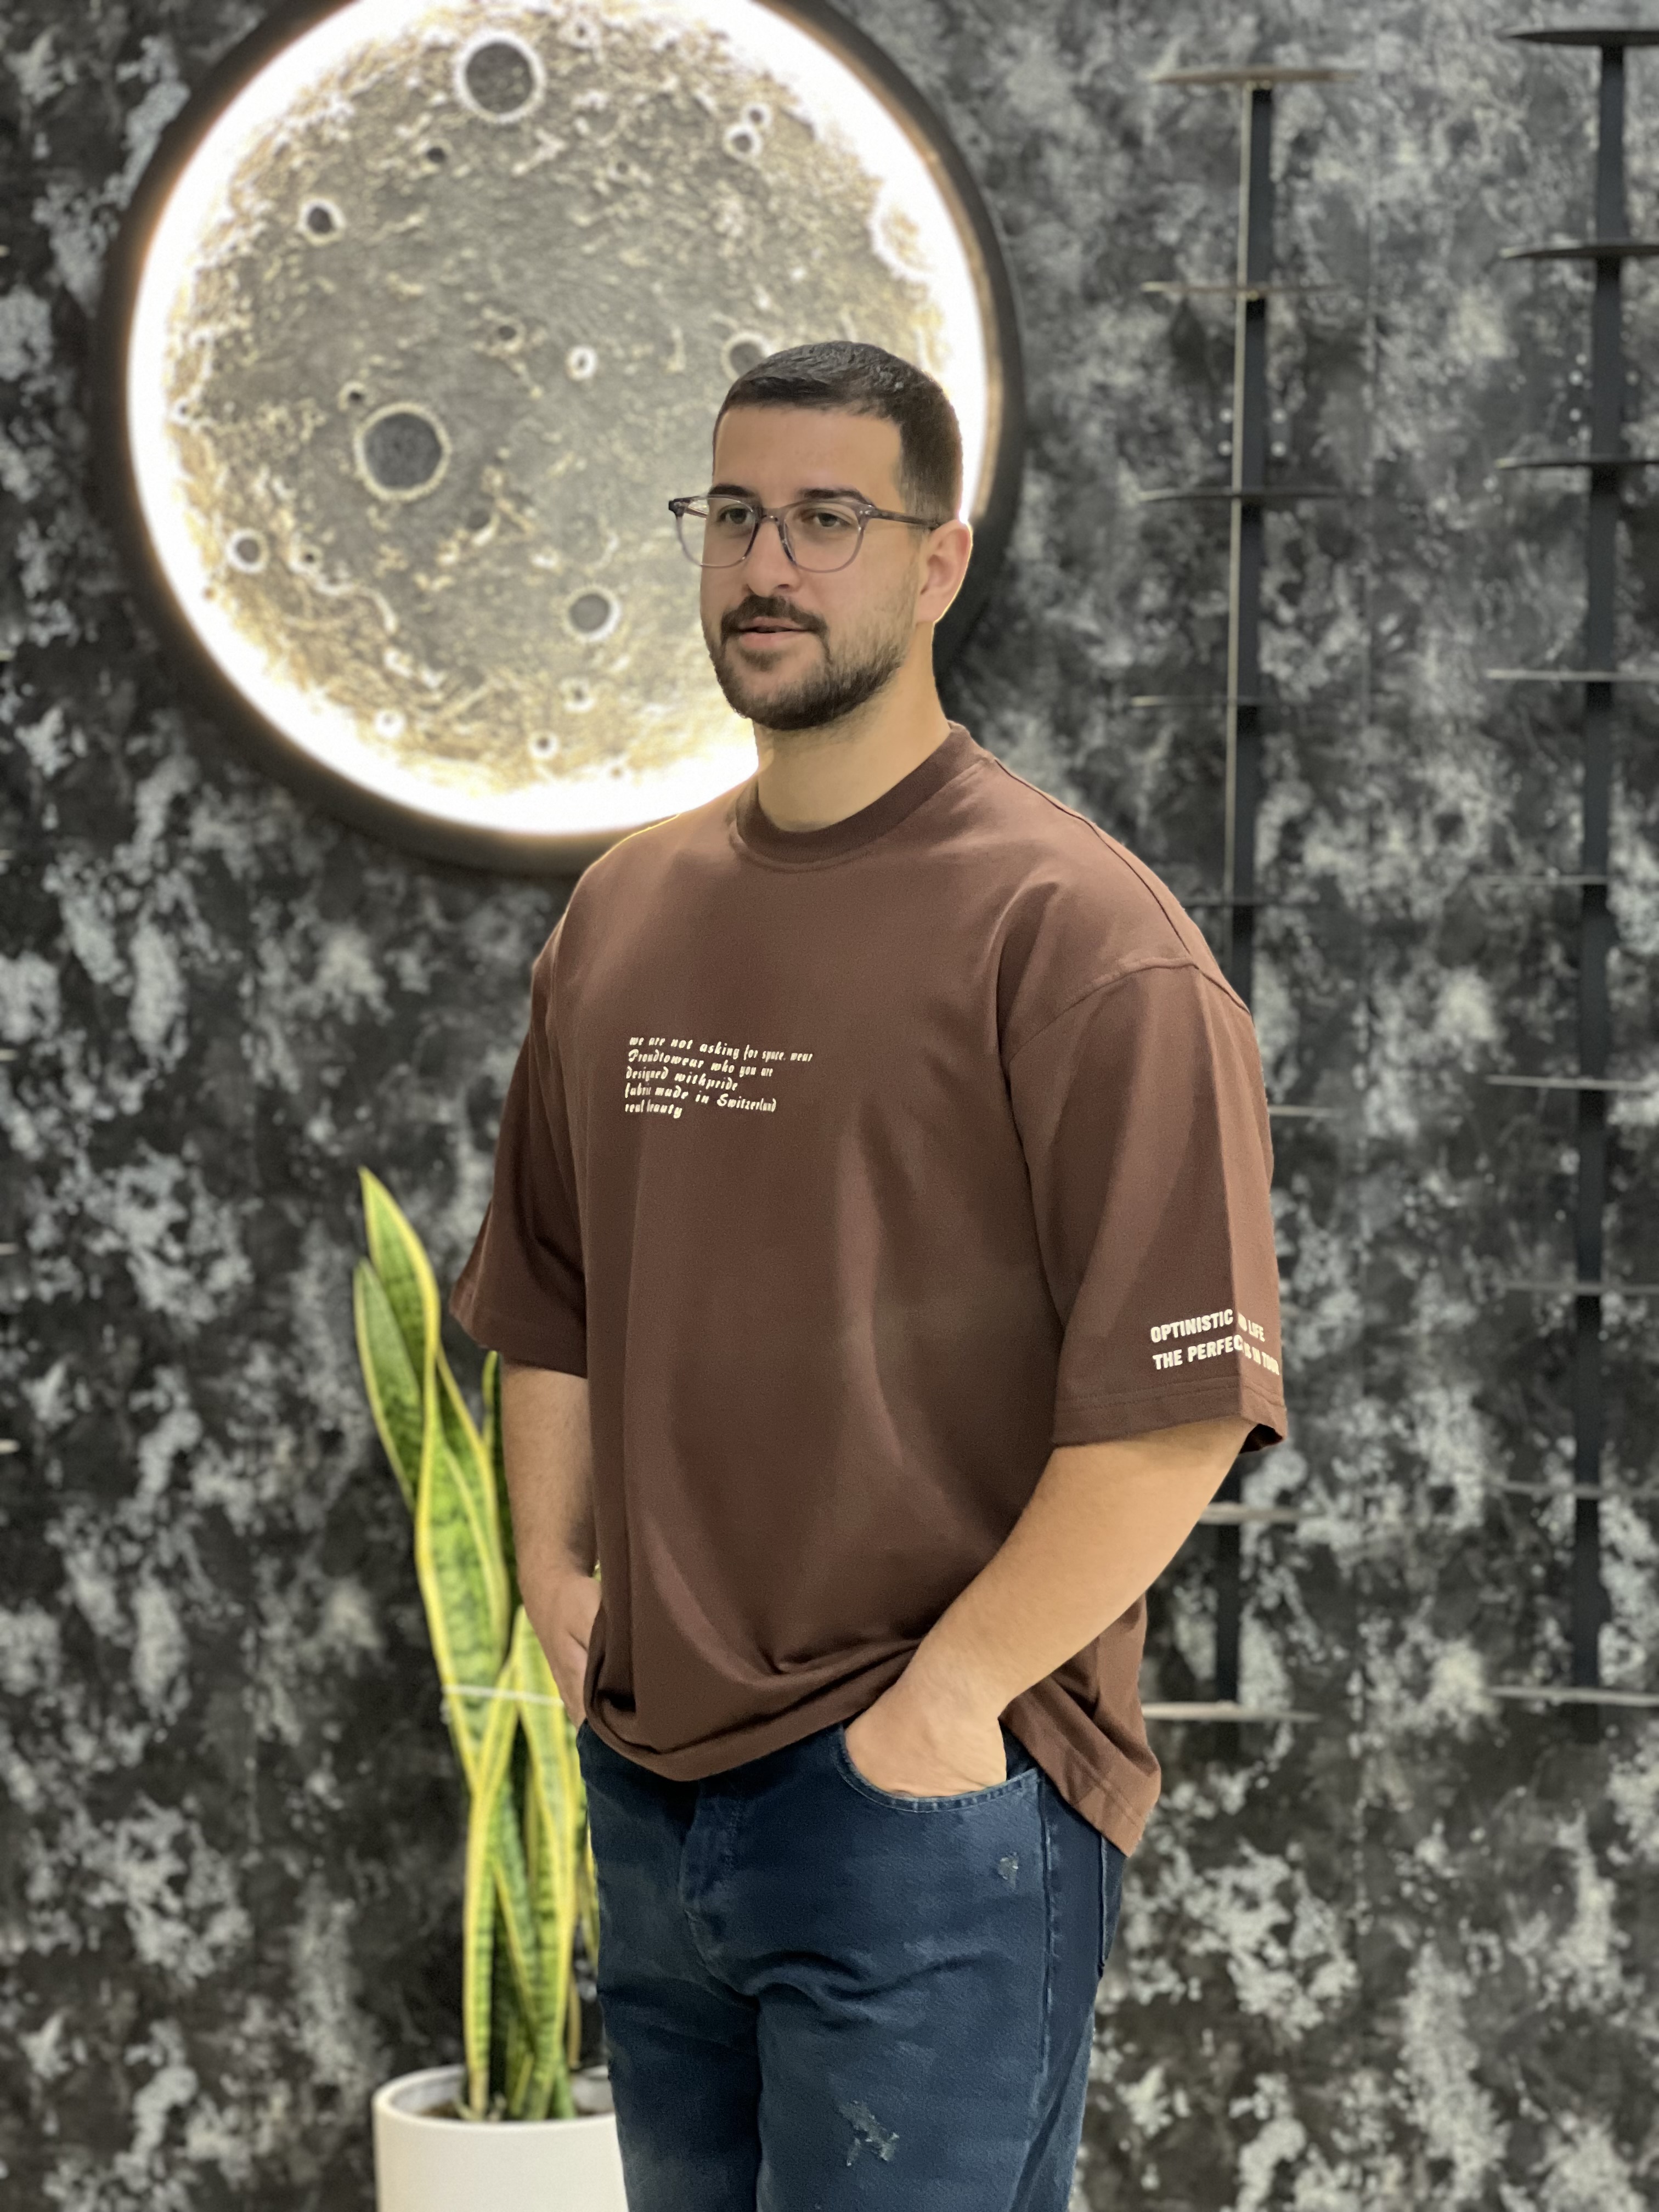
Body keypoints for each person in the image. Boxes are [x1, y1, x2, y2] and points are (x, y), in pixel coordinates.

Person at [450, 340, 1286, 2211]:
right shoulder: (626, 912)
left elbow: (1177, 1410)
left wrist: (945, 1707)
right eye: (733, 515)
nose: (768, 565)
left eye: (829, 518)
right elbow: (548, 1290)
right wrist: (554, 1575)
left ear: (938, 560)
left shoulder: (1079, 938)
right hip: (653, 1800)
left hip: (929, 1813)